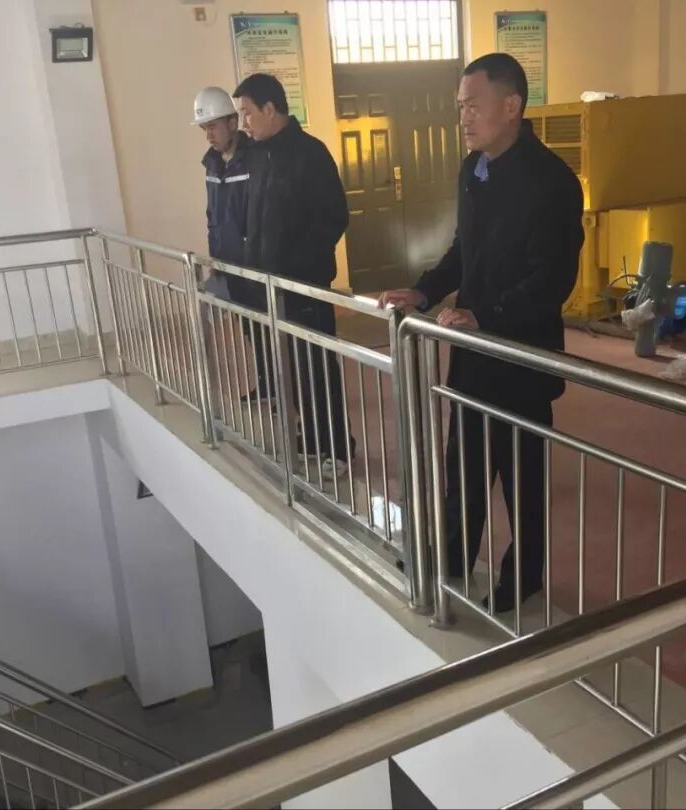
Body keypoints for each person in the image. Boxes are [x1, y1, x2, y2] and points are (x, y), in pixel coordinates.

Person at [379, 53, 584, 613]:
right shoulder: (474, 169)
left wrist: (487, 315)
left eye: (473, 105)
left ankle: (525, 576)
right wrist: (424, 291)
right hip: (473, 353)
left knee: (521, 478)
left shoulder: (553, 182)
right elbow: (463, 251)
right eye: (460, 107)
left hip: (521, 356)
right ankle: (450, 559)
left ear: (511, 106)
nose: (463, 117)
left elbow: (552, 280)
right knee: (463, 470)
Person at [233, 73, 355, 479]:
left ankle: (337, 446)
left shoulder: (310, 154)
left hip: (304, 285)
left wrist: (295, 268)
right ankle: (312, 434)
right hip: (270, 286)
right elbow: (256, 221)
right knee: (292, 367)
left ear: (270, 109)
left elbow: (333, 218)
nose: (244, 123)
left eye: (247, 113)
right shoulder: (258, 156)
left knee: (317, 365)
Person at [192, 86, 270, 404]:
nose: (209, 135)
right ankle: (267, 383)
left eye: (213, 126)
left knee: (267, 329)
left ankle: (284, 389)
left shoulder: (255, 159)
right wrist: (216, 261)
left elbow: (261, 215)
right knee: (249, 328)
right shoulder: (212, 164)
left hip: (254, 264)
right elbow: (213, 216)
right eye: (204, 128)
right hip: (228, 263)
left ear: (232, 122)